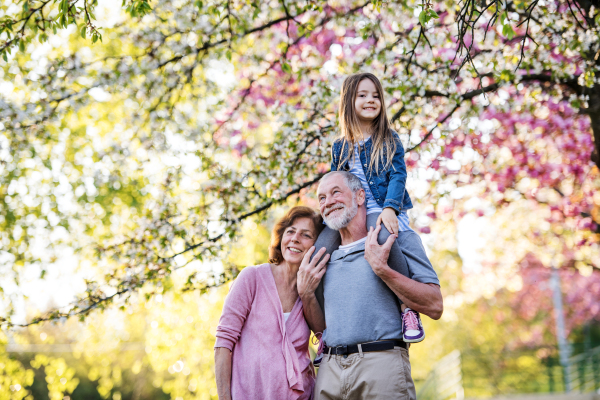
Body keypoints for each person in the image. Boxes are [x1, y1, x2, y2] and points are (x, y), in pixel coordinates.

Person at [297, 171, 443, 400]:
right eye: (322, 198)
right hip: (330, 371)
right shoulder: (321, 258)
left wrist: (383, 270)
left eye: (336, 192)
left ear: (360, 196)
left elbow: (435, 305)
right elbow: (322, 326)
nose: (328, 202)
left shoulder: (398, 238)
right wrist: (306, 294)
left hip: (381, 366)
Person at [311, 72, 432, 343]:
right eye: (363, 95)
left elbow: (399, 176)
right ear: (349, 101)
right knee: (317, 252)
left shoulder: (389, 139)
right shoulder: (340, 147)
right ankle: (323, 329)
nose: (370, 100)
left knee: (381, 236)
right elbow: (335, 181)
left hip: (380, 206)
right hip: (352, 210)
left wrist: (391, 208)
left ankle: (407, 309)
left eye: (375, 96)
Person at [214, 206, 330, 400]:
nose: (295, 238)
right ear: (282, 236)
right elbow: (223, 344)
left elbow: (323, 338)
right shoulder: (252, 278)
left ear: (316, 245)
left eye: (306, 235)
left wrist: (307, 293)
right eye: (290, 231)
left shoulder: (315, 290)